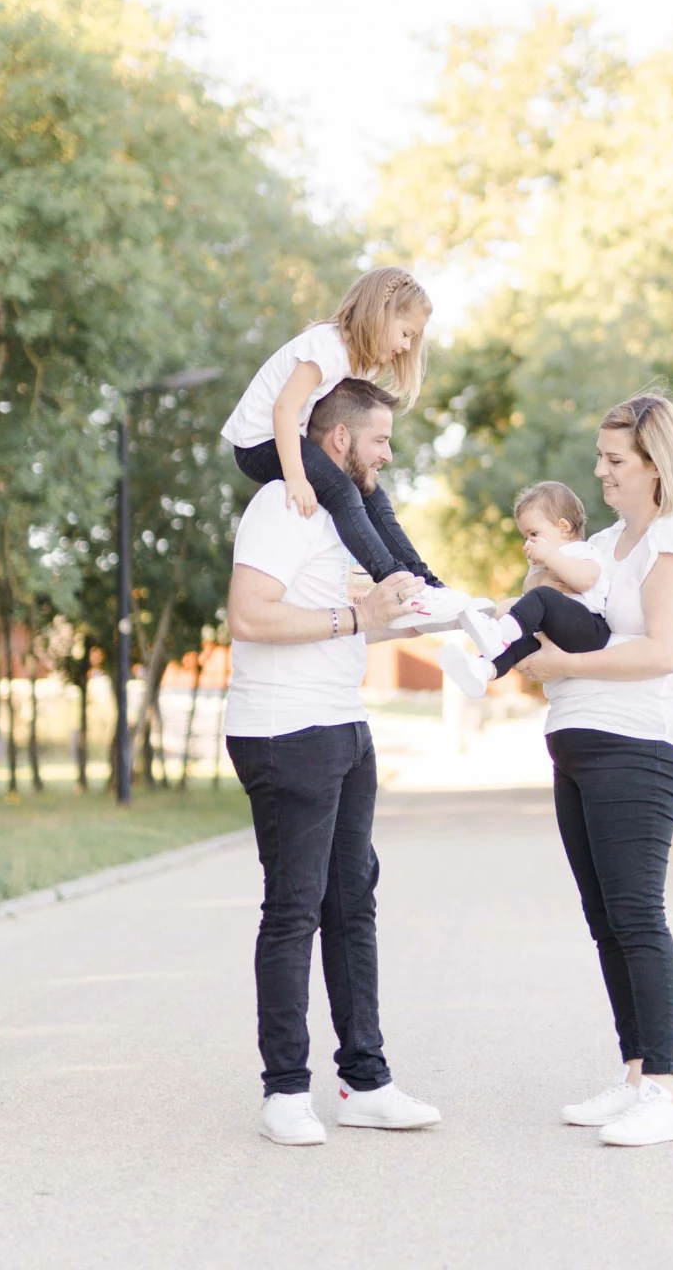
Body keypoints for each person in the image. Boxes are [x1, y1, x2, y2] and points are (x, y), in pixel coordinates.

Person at [225, 376, 442, 1146]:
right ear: (340, 440)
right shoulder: (281, 504)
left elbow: (350, 621)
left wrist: (443, 619)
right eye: (380, 440)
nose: (388, 455)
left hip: (344, 725)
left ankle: (366, 1082)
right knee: (294, 909)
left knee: (353, 906)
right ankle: (285, 1092)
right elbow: (249, 615)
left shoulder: (339, 519)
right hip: (285, 731)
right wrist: (358, 614)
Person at [523, 394, 673, 1148]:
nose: (600, 472)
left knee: (636, 915)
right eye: (600, 458)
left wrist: (566, 664)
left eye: (615, 460)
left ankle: (668, 1094)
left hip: (642, 741)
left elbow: (664, 650)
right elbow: (558, 611)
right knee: (605, 918)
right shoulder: (604, 543)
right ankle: (637, 1075)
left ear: (655, 464)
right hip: (578, 741)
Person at [221, 266, 472, 629]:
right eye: (405, 333)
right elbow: (285, 408)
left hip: (290, 437)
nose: (405, 346)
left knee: (373, 495)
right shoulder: (328, 347)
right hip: (259, 443)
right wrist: (296, 478)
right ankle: (396, 585)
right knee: (342, 492)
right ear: (381, 315)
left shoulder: (357, 364)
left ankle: (424, 583)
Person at [439, 480, 612, 695]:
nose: (527, 543)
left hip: (589, 630)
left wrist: (550, 557)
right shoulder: (542, 565)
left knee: (541, 598)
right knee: (519, 642)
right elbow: (530, 594)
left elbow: (586, 579)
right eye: (526, 537)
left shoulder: (581, 551)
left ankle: (498, 635)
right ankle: (483, 669)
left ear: (563, 527)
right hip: (554, 635)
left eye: (534, 534)